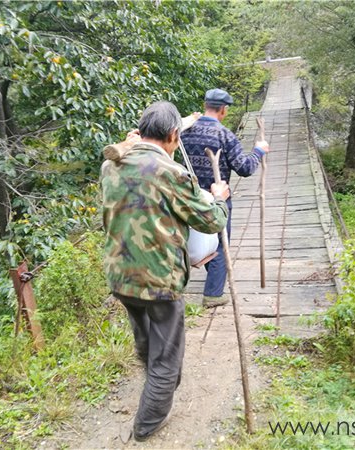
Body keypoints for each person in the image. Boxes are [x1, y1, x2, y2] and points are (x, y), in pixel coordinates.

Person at [100, 101, 230, 442]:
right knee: (167, 354)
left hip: (120, 275)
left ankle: (154, 375)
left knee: (143, 332)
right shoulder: (171, 173)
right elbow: (211, 220)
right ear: (173, 135)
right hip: (159, 280)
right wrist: (218, 197)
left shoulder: (110, 166)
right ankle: (147, 424)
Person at [181, 88, 270, 308]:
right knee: (220, 242)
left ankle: (184, 284)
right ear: (223, 110)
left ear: (205, 106)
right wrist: (259, 151)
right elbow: (245, 168)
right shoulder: (224, 135)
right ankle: (213, 294)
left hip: (187, 196)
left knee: (190, 240)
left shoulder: (185, 130)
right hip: (216, 196)